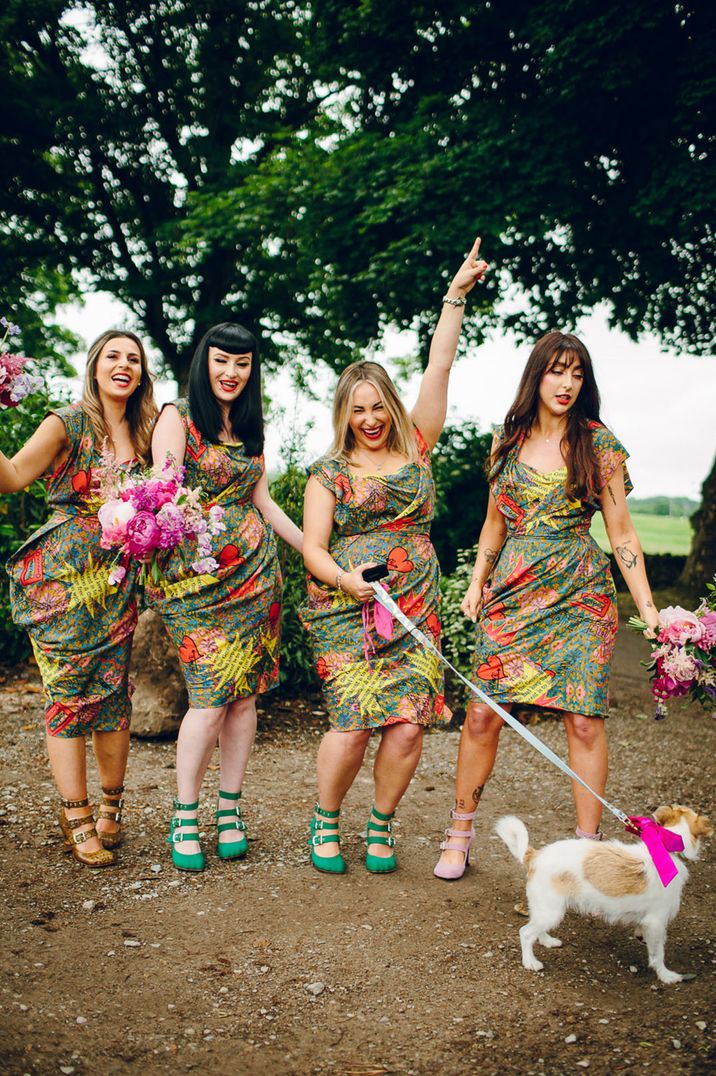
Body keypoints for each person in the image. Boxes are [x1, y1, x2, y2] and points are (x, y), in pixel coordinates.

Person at [433, 330, 660, 881]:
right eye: (558, 371)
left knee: (583, 721)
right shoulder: (505, 440)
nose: (567, 383)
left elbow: (622, 533)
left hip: (581, 593)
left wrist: (649, 611)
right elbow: (494, 523)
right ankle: (459, 833)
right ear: (537, 375)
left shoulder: (598, 443)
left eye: (577, 373)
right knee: (484, 713)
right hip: (512, 592)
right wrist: (477, 579)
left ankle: (588, 851)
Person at [301, 238, 489, 874]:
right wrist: (345, 580)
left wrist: (454, 297)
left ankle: (380, 824)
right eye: (359, 410)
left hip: (414, 607)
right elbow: (313, 550)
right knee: (353, 722)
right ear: (344, 415)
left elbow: (438, 369)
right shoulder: (327, 472)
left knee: (409, 725)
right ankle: (325, 822)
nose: (371, 418)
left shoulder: (417, 449)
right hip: (346, 605)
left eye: (379, 405)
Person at [149, 322, 302, 872]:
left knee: (244, 697)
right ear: (203, 363)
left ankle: (229, 809)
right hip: (198, 580)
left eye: (242, 363)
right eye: (222, 361)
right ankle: (184, 812)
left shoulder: (251, 426)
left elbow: (261, 499)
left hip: (257, 580)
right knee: (210, 698)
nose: (231, 372)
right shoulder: (178, 417)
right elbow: (164, 497)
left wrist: (313, 551)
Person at [4, 330, 157, 867]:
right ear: (95, 367)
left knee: (114, 694)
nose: (123, 365)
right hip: (63, 580)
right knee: (69, 693)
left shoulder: (149, 432)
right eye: (113, 356)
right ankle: (76, 814)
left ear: (141, 374)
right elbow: (15, 476)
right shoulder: (65, 423)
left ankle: (113, 806)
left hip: (118, 579)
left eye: (133, 359)